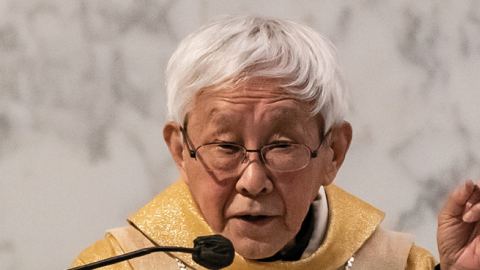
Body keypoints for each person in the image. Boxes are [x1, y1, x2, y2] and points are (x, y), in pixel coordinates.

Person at [70, 15, 480, 270]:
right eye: (226, 147)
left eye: (283, 145)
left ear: (333, 152)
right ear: (181, 150)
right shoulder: (118, 265)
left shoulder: (398, 267)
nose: (253, 181)